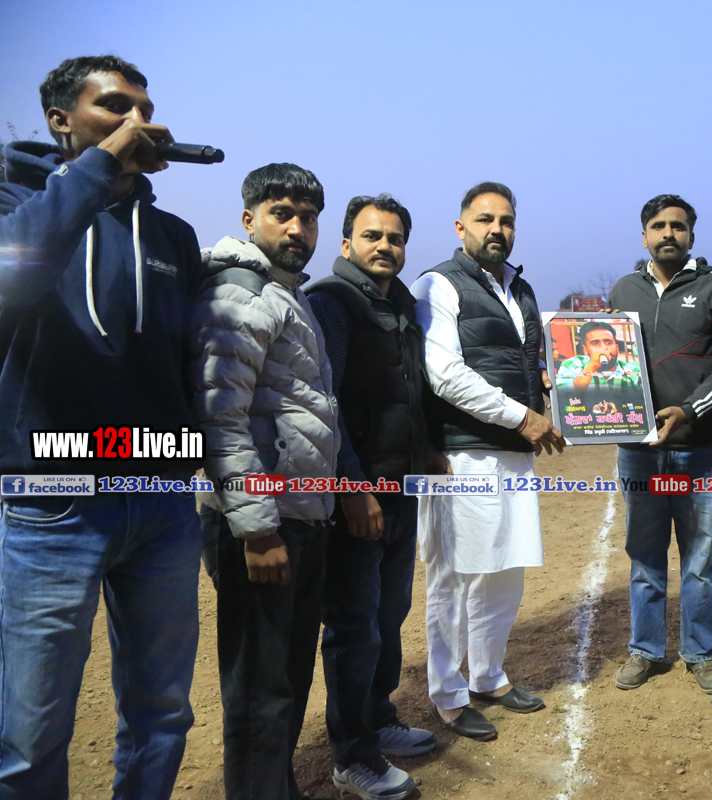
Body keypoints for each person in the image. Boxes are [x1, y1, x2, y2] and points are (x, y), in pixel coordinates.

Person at [0, 55, 204, 799]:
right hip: (53, 502)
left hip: (161, 501)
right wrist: (98, 168)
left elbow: (190, 362)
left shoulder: (171, 234)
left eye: (143, 109)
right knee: (31, 733)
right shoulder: (16, 204)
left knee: (161, 714)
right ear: (61, 120)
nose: (136, 121)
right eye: (115, 107)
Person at [191, 163, 339, 800]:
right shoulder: (242, 292)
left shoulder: (285, 292)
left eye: (308, 217)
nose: (298, 228)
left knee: (285, 680)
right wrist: (256, 529)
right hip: (263, 524)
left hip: (299, 515)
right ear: (249, 218)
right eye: (283, 214)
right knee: (259, 692)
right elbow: (219, 416)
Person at [412, 181, 563, 741]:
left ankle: (488, 675)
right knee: (454, 578)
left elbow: (521, 360)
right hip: (461, 453)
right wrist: (523, 416)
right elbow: (445, 374)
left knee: (504, 573)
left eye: (506, 221)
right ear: (461, 228)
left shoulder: (520, 289)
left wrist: (550, 384)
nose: (496, 229)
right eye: (484, 219)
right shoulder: (436, 284)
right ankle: (448, 695)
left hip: (512, 453)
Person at [307, 194, 439, 799]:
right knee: (354, 626)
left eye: (395, 237)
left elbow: (409, 392)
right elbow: (324, 402)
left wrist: (426, 450)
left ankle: (379, 718)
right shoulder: (332, 304)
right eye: (372, 235)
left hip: (402, 489)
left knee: (389, 614)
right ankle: (352, 755)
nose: (385, 245)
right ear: (346, 244)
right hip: (359, 496)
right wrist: (352, 487)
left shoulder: (401, 305)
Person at [606, 194, 712, 694]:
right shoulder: (624, 288)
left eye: (678, 226)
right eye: (658, 226)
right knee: (644, 556)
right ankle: (645, 649)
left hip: (700, 448)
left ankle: (701, 651)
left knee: (698, 561)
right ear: (644, 234)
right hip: (639, 451)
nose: (668, 233)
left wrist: (690, 409)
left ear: (691, 234)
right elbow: (602, 361)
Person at [555, 320, 642, 391]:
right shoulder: (571, 365)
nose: (603, 348)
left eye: (608, 342)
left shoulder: (634, 373)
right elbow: (562, 396)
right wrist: (592, 366)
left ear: (617, 348)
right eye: (595, 343)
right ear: (585, 350)